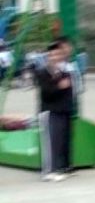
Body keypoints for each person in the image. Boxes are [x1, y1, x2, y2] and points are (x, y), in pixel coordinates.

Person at [36, 42, 74, 182]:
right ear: (48, 57)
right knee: (49, 142)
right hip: (49, 111)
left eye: (57, 54)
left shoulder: (64, 72)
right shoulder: (43, 73)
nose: (55, 57)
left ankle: (58, 168)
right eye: (52, 55)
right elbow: (46, 92)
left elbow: (68, 92)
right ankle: (48, 171)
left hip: (62, 111)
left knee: (59, 141)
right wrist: (59, 86)